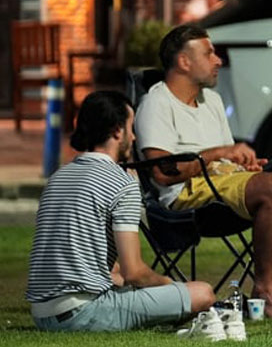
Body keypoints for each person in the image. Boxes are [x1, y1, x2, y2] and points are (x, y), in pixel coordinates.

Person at [134, 24, 272, 320]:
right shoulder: (156, 103)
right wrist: (222, 154)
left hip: (226, 185)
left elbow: (227, 166)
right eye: (209, 54)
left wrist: (245, 165)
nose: (218, 60)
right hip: (187, 196)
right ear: (184, 61)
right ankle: (266, 291)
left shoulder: (212, 102)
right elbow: (163, 172)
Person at [27, 90, 216, 332]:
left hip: (42, 314)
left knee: (119, 279)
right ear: (117, 131)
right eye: (131, 127)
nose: (135, 137)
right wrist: (171, 286)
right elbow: (134, 272)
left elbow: (113, 271)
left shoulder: (59, 176)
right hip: (83, 313)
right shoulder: (121, 182)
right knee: (202, 292)